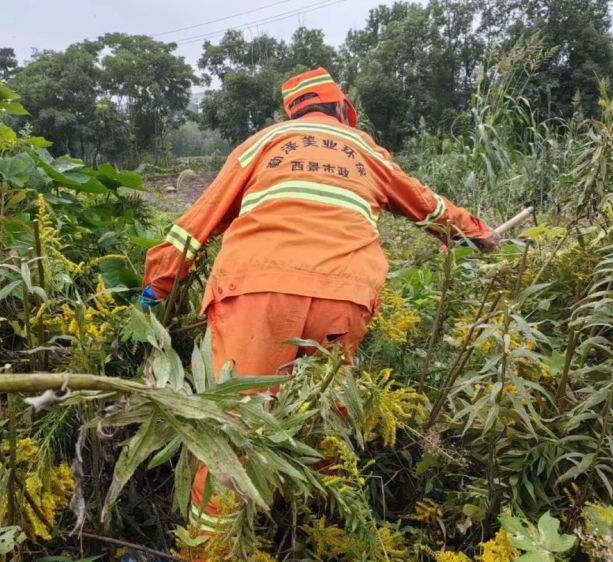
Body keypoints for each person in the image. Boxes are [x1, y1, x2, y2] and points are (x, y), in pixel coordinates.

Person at [141, 67, 500, 552]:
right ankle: (319, 538)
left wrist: (157, 285)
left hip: (255, 291)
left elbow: (198, 220)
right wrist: (476, 231)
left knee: (236, 428)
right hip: (343, 295)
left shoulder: (266, 141)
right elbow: (427, 206)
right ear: (340, 108)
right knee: (322, 419)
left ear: (295, 110)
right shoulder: (366, 149)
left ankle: (210, 549)